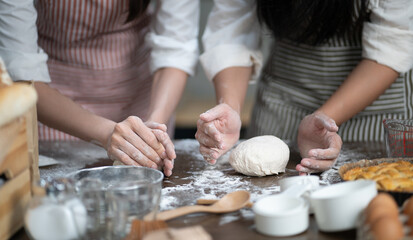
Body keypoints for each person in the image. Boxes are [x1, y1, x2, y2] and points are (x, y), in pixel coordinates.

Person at [195, 0, 413, 175]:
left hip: (373, 103)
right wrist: (230, 106)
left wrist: (326, 116)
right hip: (283, 99)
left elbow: (394, 43)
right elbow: (232, 31)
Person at [0, 0, 200, 176]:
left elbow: (176, 46)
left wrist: (152, 128)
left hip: (141, 96)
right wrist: (106, 132)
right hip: (53, 102)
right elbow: (22, 73)